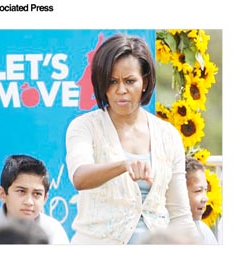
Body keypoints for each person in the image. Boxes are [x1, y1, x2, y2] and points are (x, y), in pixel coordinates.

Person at [65, 33, 200, 244]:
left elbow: (180, 216)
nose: (121, 90)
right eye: (112, 81)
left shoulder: (168, 135)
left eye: (130, 81)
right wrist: (122, 165)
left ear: (145, 81)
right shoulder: (85, 126)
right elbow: (80, 177)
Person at [0, 154, 69, 245]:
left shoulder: (54, 231)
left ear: (45, 198)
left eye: (37, 194)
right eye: (21, 191)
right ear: (2, 194)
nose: (29, 202)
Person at [185, 156, 218, 245]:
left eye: (206, 190)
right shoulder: (165, 234)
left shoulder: (205, 233)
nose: (205, 198)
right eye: (198, 191)